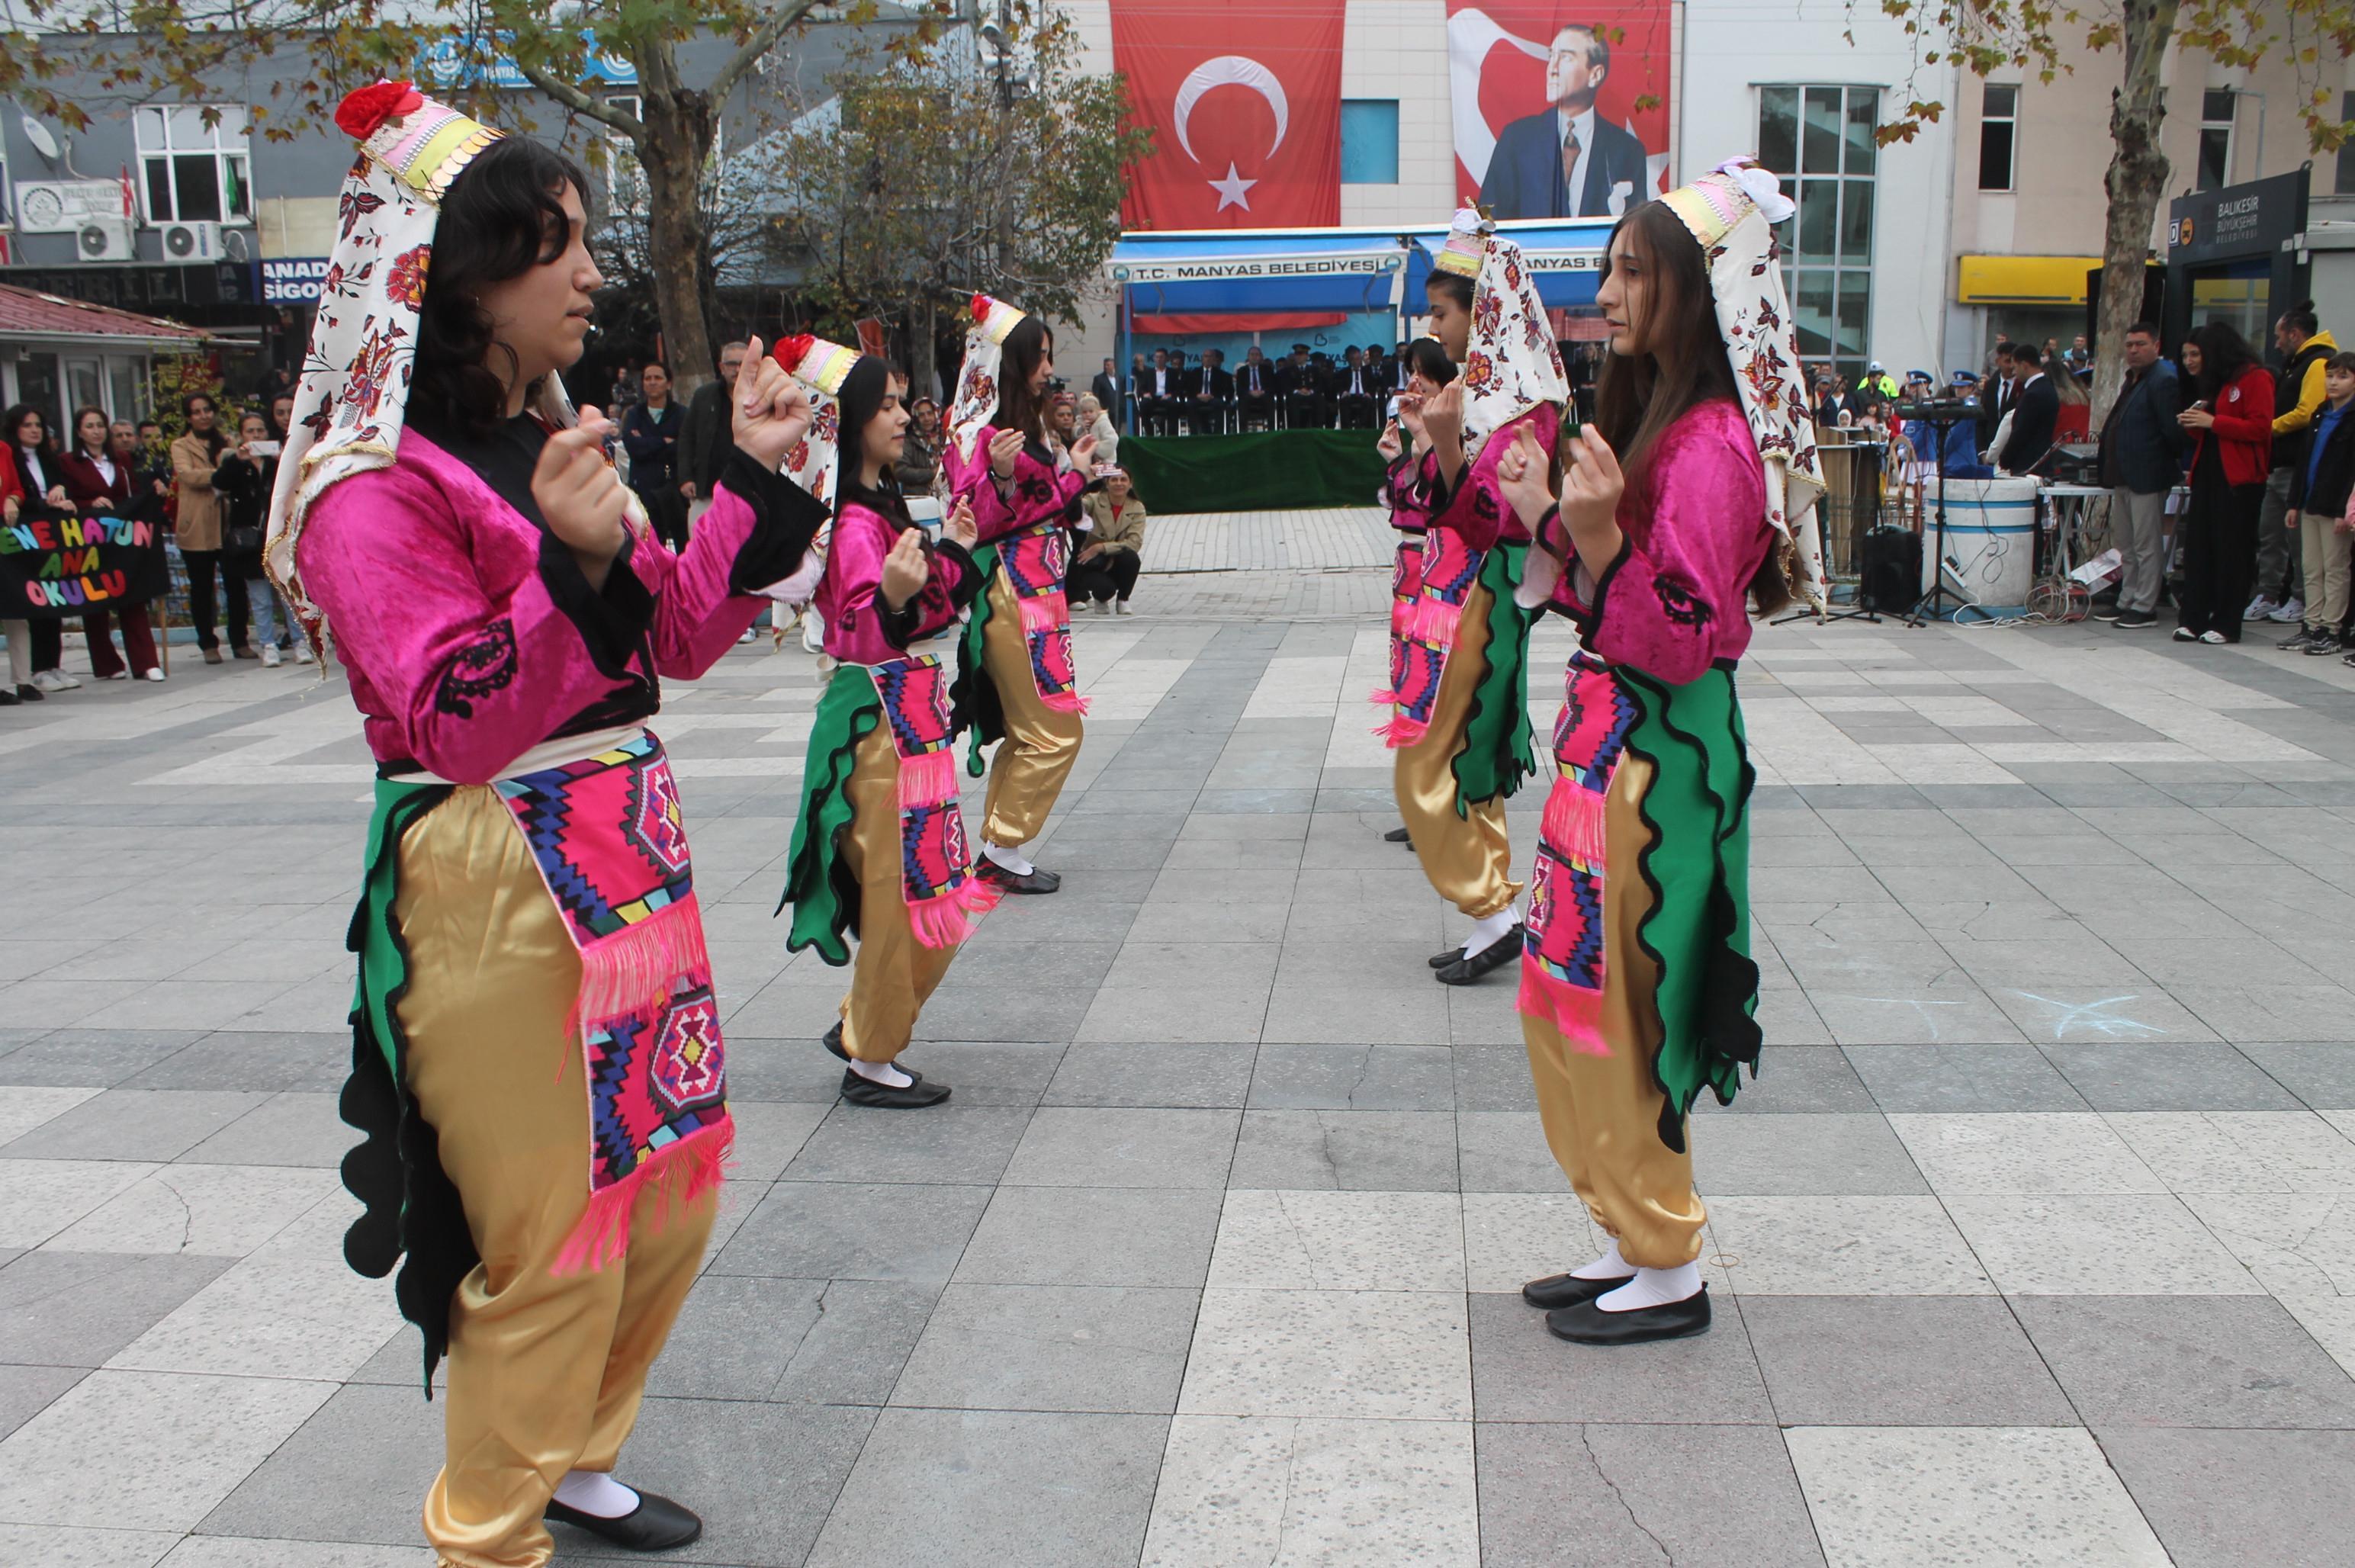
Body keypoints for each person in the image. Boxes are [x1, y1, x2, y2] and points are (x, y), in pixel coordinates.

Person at [271, 83, 828, 1567]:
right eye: (558, 244)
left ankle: (575, 1456)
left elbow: (677, 631)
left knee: (667, 1190)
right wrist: (572, 570)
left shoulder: (547, 439)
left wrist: (754, 476)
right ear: (462, 274)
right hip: (493, 873)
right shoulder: (372, 485)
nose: (591, 272)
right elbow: (452, 718)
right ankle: (486, 1533)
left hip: (622, 853)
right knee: (554, 1230)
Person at [1495, 159, 1823, 1348]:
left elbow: (1682, 637)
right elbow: (1609, 595)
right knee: (1567, 999)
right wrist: (1555, 518)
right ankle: (1626, 1229)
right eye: (1611, 269)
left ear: (1696, 288)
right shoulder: (1663, 428)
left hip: (1655, 769)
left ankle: (1667, 1260)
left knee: (1621, 1008)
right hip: (1606, 758)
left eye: (1634, 272)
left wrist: (1583, 530)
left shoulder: (1712, 448)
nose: (1609, 292)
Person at [777, 333, 991, 1109]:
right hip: (878, 727)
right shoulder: (852, 523)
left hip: (907, 723)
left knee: (932, 892)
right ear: (849, 419)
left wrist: (952, 549)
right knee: (907, 894)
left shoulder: (879, 505)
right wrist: (904, 595)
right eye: (888, 405)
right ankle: (869, 1056)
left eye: (903, 402)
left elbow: (924, 602)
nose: (904, 416)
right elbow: (864, 628)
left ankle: (863, 1026)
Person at [1383, 212, 1561, 987]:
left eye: (1441, 313)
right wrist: (1430, 442)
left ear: (1482, 311)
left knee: (1427, 764)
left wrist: (1448, 444)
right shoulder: (1485, 396)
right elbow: (1428, 503)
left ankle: (1495, 913)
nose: (1434, 328)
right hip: (1455, 601)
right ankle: (1493, 915)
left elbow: (1492, 519)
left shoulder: (1523, 409)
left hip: (1480, 605)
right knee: (1459, 760)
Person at [943, 294, 1097, 895]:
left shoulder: (1018, 426)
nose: (1048, 371)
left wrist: (1070, 472)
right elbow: (973, 518)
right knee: (1057, 729)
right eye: (1040, 358)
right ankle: (1000, 846)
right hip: (1012, 593)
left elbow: (1043, 504)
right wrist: (1015, 476)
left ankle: (999, 845)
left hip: (1036, 593)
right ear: (1013, 363)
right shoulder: (980, 434)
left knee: (1034, 727)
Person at [1370, 337, 1457, 848]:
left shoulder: (1456, 432)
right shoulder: (1423, 432)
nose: (1415, 381)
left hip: (1440, 573)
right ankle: (1420, 802)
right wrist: (1396, 455)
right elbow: (1405, 505)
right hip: (1410, 571)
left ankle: (1441, 806)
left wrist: (1424, 436)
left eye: (1424, 372)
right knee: (1410, 686)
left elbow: (1443, 500)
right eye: (1410, 371)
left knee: (1437, 688)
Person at [1477, 24, 1650, 220]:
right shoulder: (1517, 140)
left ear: (1595, 75)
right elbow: (1489, 220)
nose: (1553, 69)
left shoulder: (1627, 151)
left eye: (1566, 57)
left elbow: (1635, 230)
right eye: (1551, 56)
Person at [2173, 321, 2273, 644]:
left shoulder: (2256, 377)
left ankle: (2227, 622)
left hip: (2239, 478)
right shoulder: (2215, 382)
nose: (2193, 361)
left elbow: (2260, 428)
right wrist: (2195, 421)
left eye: (2199, 353)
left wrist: (2214, 421)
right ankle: (2193, 618)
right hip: (2208, 471)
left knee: (2232, 551)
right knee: (2199, 548)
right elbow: (2206, 431)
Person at [56, 405, 164, 682]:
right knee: (95, 601)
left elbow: (134, 493)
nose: (96, 432)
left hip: (121, 538)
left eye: (100, 426)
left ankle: (146, 662)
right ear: (79, 431)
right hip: (89, 540)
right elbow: (68, 499)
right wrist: (88, 504)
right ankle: (107, 664)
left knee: (133, 597)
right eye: (90, 426)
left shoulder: (121, 460)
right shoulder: (67, 462)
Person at [2093, 322, 2187, 631]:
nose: (2133, 350)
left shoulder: (2163, 379)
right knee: (2126, 544)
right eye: (2130, 345)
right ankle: (2127, 598)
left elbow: (2172, 430)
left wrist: (2162, 461)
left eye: (2140, 344)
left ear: (2156, 346)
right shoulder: (2133, 379)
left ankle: (2145, 604)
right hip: (2122, 473)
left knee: (2147, 544)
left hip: (2147, 474)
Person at [2250, 301, 2337, 623]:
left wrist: (2268, 428)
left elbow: (2307, 412)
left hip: (2297, 464)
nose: (2276, 344)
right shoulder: (2296, 364)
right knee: (2270, 533)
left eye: (2279, 336)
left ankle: (2301, 598)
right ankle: (2268, 593)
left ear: (2295, 334)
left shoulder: (2316, 363)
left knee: (2297, 538)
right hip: (2279, 463)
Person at [214, 410, 307, 667]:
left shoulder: (277, 462)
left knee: (288, 595)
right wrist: (238, 460)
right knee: (261, 599)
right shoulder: (236, 463)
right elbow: (219, 482)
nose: (256, 436)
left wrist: (282, 462)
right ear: (242, 435)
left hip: (278, 536)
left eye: (260, 431)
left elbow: (297, 485)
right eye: (250, 432)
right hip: (249, 542)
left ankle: (300, 641)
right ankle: (268, 645)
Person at [4, 405, 85, 692]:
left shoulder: (50, 459)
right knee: (34, 601)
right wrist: (43, 503)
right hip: (24, 538)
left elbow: (62, 487)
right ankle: (37, 668)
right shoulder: (11, 457)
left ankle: (53, 664)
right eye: (27, 425)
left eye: (38, 425)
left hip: (50, 536)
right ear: (15, 429)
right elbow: (17, 495)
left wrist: (61, 494)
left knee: (54, 599)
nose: (35, 430)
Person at [2281, 351, 2355, 654]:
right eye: (2330, 376)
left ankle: (2331, 629)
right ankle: (2311, 625)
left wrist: (2343, 511)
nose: (2334, 382)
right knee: (2310, 567)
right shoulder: (2320, 413)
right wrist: (2294, 502)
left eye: (2343, 377)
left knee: (2335, 568)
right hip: (2309, 502)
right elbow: (2304, 462)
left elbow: (2350, 471)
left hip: (2334, 506)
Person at [171, 392, 250, 664]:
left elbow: (241, 472)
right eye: (196, 412)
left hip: (227, 523)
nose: (203, 416)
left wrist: (230, 468)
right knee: (202, 588)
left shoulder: (228, 442)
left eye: (207, 410)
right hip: (197, 524)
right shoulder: (181, 445)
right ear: (188, 417)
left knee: (236, 586)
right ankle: (207, 642)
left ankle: (239, 640)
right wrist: (222, 473)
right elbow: (188, 476)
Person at [678, 339, 749, 529]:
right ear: (721, 367)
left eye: (743, 364)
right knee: (701, 540)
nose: (737, 369)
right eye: (731, 364)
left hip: (749, 489)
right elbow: (687, 437)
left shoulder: (761, 397)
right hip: (707, 488)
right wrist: (685, 477)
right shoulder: (704, 396)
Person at [619, 359, 689, 551]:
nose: (652, 382)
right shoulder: (634, 414)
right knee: (650, 548)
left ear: (669, 383)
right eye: (648, 378)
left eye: (658, 378)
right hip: (644, 489)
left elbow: (683, 448)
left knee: (684, 547)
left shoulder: (681, 414)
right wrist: (664, 442)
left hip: (675, 489)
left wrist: (647, 442)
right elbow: (634, 448)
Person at [1071, 468, 1146, 614]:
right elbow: (1077, 507)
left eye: (1123, 480)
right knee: (1105, 589)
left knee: (1131, 558)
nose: (1119, 483)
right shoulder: (1094, 500)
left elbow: (1134, 543)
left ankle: (1123, 599)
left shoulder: (1137, 507)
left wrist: (1100, 547)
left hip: (1116, 557)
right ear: (1106, 483)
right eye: (1114, 480)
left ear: (1130, 484)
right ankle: (1101, 598)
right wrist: (1082, 483)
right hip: (1092, 561)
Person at [1998, 342, 2060, 474]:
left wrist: (2005, 459)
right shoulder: (2046, 387)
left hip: (2029, 465)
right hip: (2038, 462)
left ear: (2024, 365)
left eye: (2015, 367)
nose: (2014, 372)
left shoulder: (2034, 394)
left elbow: (2022, 432)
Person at [895, 392, 943, 495]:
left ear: (935, 414)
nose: (927, 418)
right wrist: (931, 473)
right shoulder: (909, 442)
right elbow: (901, 471)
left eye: (930, 413)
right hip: (921, 498)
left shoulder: (945, 438)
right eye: (921, 415)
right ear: (916, 418)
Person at [1278, 343, 1326, 429]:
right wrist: (1297, 391)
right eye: (1296, 354)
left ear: (1307, 356)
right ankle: (1296, 429)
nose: (1298, 356)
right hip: (1296, 396)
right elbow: (1285, 386)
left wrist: (1311, 391)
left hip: (1310, 395)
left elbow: (1320, 385)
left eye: (1301, 354)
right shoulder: (1288, 371)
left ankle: (1318, 428)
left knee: (1320, 399)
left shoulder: (1314, 370)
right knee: (1293, 399)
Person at [1334, 345, 1380, 430]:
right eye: (1353, 359)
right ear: (1348, 360)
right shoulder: (1343, 373)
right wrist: (1343, 392)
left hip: (1364, 396)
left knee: (1368, 402)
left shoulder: (1367, 372)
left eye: (1358, 359)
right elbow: (1338, 386)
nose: (1355, 362)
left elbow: (1373, 385)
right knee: (1344, 402)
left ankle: (1363, 427)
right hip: (1349, 396)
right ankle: (1347, 429)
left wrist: (1369, 393)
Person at [1139, 348, 1180, 437]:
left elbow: (1177, 388)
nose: (1159, 359)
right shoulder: (1148, 372)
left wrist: (1171, 394)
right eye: (1157, 357)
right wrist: (1145, 393)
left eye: (1161, 357)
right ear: (1154, 359)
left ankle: (1171, 434)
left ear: (1166, 359)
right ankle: (1149, 433)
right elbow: (1142, 387)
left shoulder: (1172, 372)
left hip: (1166, 397)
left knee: (1174, 405)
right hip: (1153, 398)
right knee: (1144, 404)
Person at [1235, 345, 1276, 430]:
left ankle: (1272, 430)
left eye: (1257, 355)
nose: (1254, 357)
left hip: (1263, 394)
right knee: (1243, 401)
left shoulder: (1267, 370)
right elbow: (1239, 388)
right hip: (1248, 395)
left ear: (1260, 357)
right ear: (1248, 356)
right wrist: (1250, 393)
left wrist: (1262, 392)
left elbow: (1272, 386)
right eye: (1252, 354)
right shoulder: (1242, 371)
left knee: (1270, 400)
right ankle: (1243, 432)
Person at [1075, 392, 1120, 469]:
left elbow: (1113, 440)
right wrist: (1082, 429)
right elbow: (1075, 435)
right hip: (1088, 462)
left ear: (1098, 411)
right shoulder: (1080, 423)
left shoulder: (1103, 422)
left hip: (1106, 462)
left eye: (1091, 411)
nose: (1088, 414)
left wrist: (1094, 447)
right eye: (1085, 412)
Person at [1091, 357, 1123, 427]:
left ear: (1114, 366)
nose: (1106, 367)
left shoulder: (1119, 378)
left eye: (1108, 365)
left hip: (1118, 410)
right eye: (1105, 365)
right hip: (1106, 409)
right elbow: (1096, 394)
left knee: (1118, 428)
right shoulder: (1099, 379)